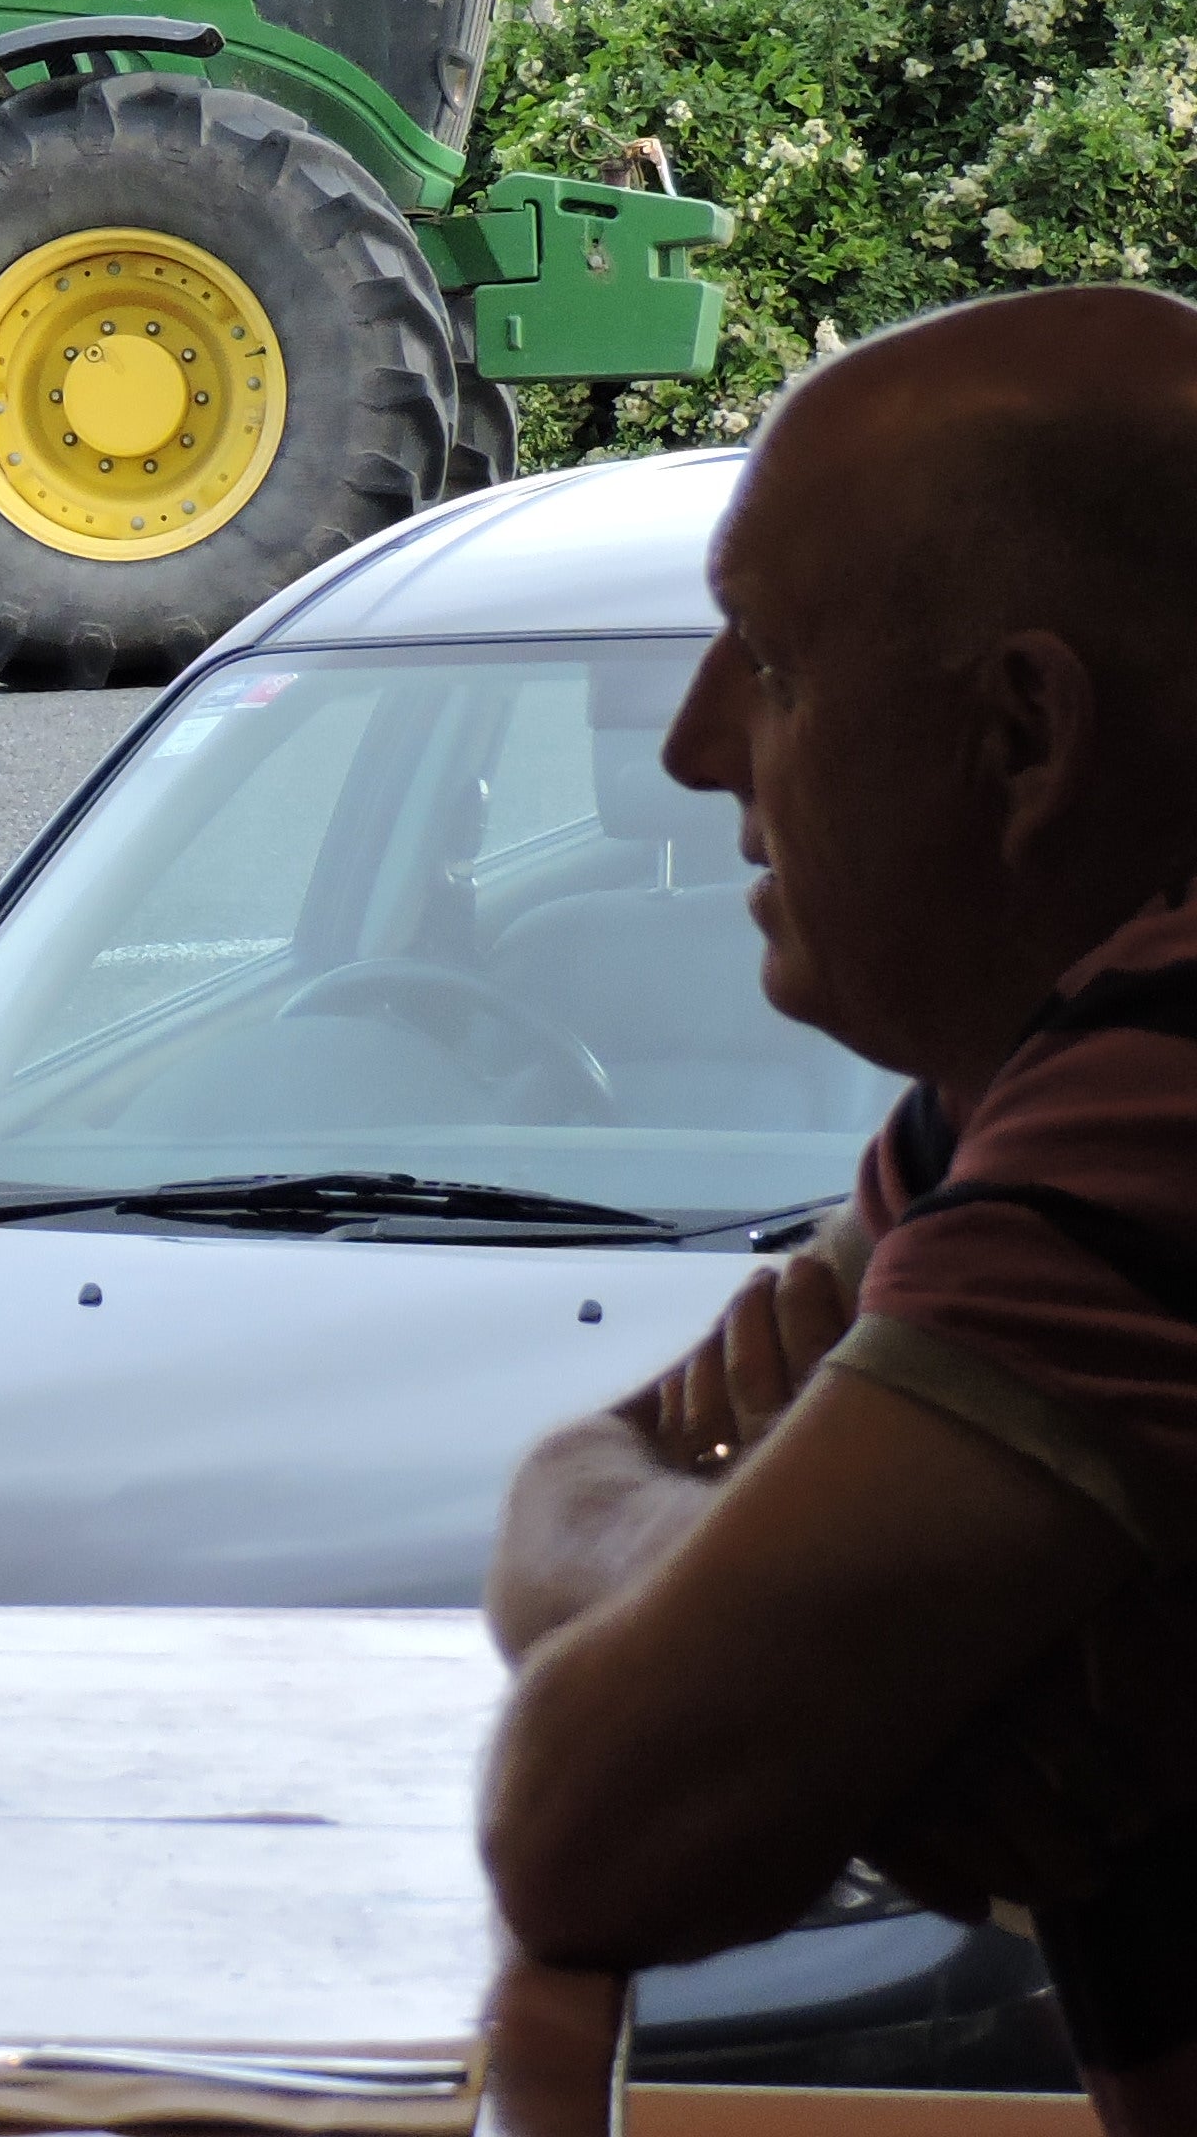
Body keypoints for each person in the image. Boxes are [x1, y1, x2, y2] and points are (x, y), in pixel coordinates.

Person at [479, 288, 1197, 2133]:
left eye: (773, 662)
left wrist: (782, 1682)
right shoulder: (1018, 1088)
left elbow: (592, 1831)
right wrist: (829, 1665)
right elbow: (612, 1471)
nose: (694, 748)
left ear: (1024, 737)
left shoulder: (1165, 1092)